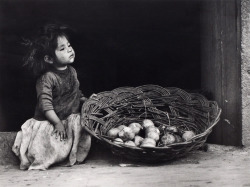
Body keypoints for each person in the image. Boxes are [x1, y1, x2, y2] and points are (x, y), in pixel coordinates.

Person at [12, 23, 91, 170]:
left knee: (82, 128)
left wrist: (83, 99)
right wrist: (57, 123)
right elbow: (45, 105)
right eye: (62, 48)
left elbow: (74, 91)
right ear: (48, 59)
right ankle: (51, 157)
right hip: (51, 120)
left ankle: (70, 155)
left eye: (69, 45)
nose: (70, 50)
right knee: (49, 147)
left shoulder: (72, 71)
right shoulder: (47, 79)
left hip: (69, 117)